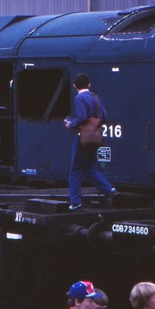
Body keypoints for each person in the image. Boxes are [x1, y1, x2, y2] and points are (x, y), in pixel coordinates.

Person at [64, 73, 118, 211]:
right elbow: (104, 117)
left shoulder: (79, 98)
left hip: (84, 137)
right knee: (89, 168)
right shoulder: (95, 97)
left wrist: (71, 123)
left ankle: (75, 202)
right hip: (96, 137)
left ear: (75, 85)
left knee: (75, 169)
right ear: (88, 85)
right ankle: (109, 190)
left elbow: (82, 117)